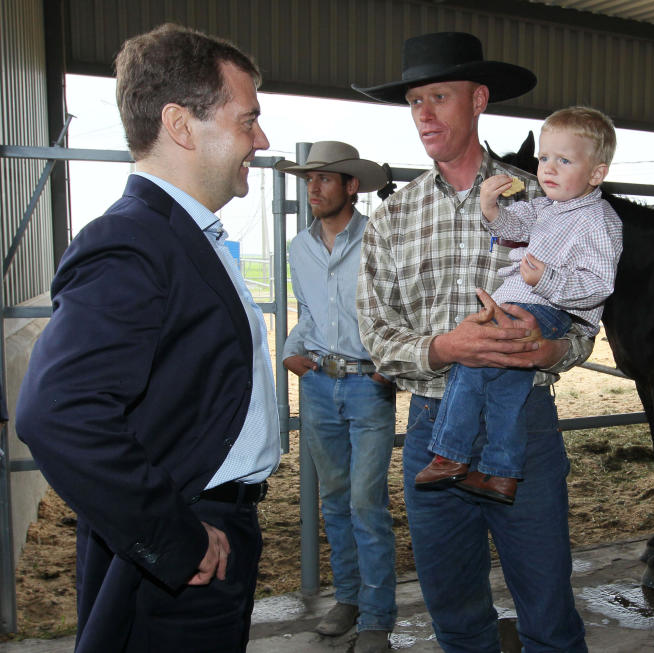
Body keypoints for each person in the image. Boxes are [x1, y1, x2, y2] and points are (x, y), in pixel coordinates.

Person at [15, 23, 280, 653]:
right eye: (248, 120)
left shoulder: (185, 236)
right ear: (182, 125)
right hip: (185, 549)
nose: (261, 139)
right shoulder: (133, 241)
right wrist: (175, 537)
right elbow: (57, 412)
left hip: (207, 531)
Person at [353, 31, 593, 652]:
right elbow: (377, 334)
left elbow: (586, 322)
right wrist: (444, 349)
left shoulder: (544, 200)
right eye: (413, 101)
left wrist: (551, 350)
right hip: (433, 429)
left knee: (549, 614)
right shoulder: (393, 216)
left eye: (439, 96)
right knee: (455, 616)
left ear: (479, 99)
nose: (425, 114)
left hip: (524, 427)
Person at [414, 107, 623, 504]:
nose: (548, 169)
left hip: (546, 308)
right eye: (544, 158)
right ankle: (501, 473)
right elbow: (513, 228)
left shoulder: (600, 220)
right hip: (526, 303)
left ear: (596, 174)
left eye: (564, 160)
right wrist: (491, 208)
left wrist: (545, 278)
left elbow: (599, 286)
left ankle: (449, 454)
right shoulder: (546, 207)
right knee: (508, 389)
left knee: (471, 363)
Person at [274, 141, 396, 653]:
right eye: (309, 180)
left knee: (367, 502)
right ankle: (347, 597)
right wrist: (289, 351)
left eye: (325, 178)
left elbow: (399, 308)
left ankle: (376, 615)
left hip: (369, 386)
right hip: (320, 385)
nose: (313, 188)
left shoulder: (380, 240)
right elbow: (309, 311)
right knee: (335, 500)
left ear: (351, 186)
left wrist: (390, 367)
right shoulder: (298, 248)